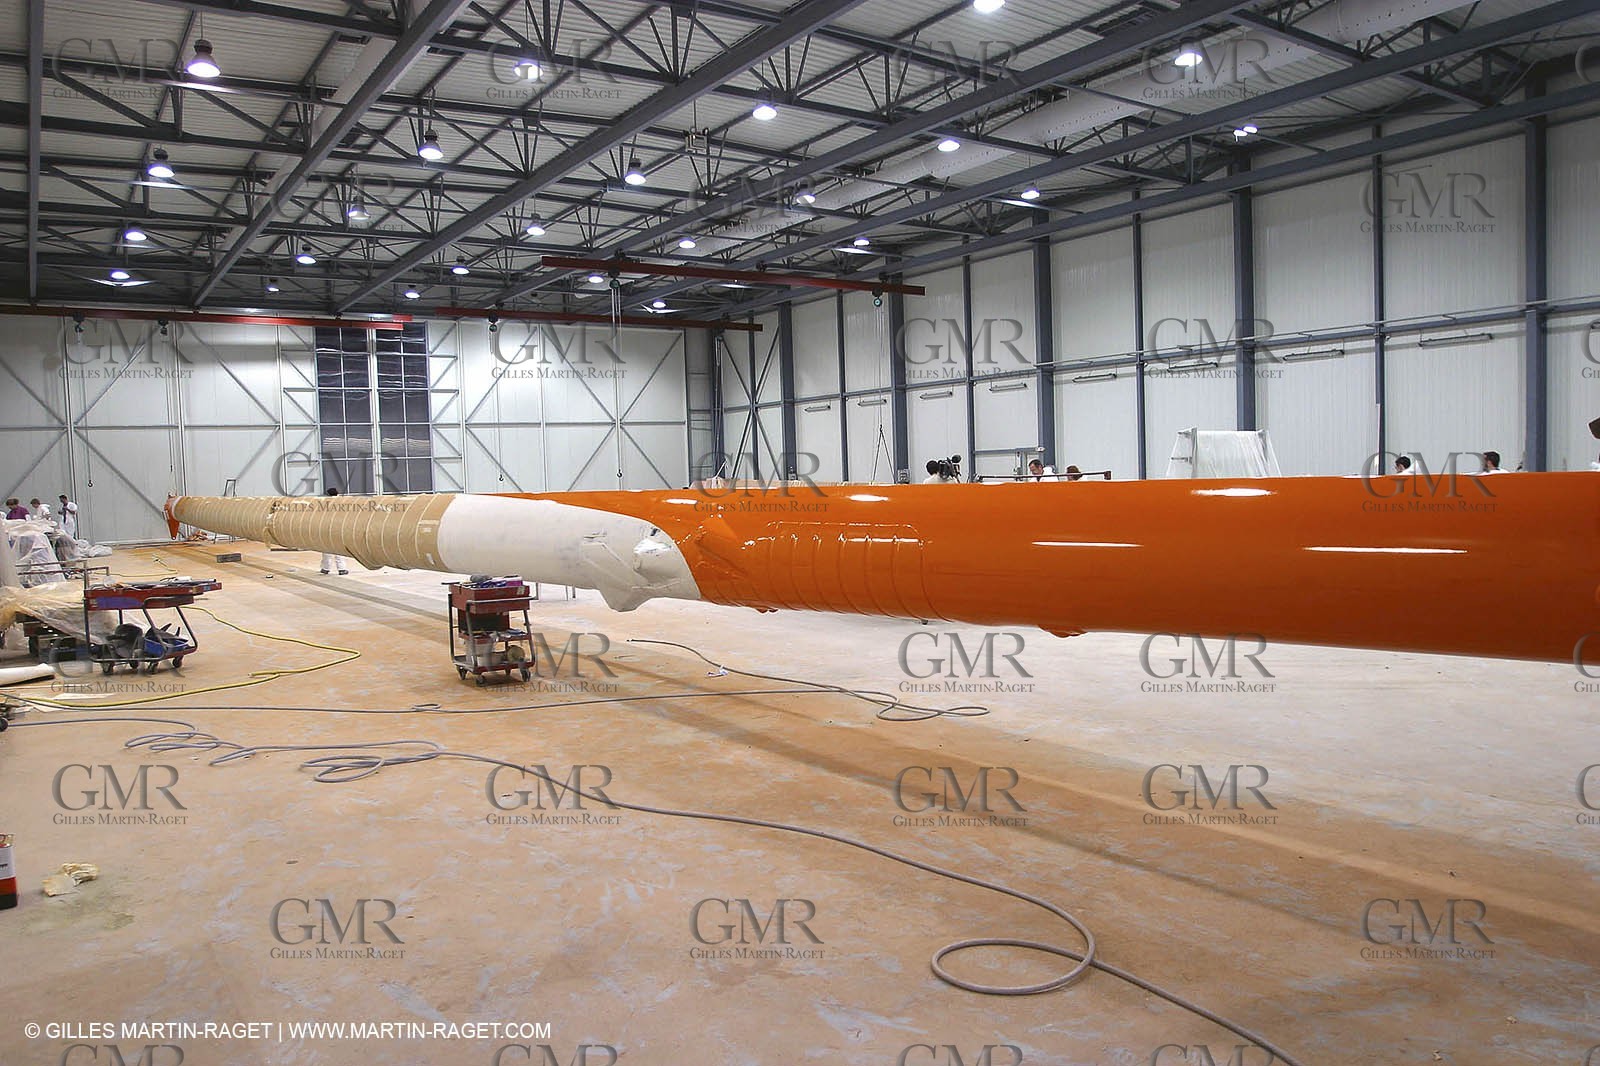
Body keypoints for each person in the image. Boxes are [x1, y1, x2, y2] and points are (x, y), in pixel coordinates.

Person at [319, 488, 350, 575]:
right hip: (338, 529)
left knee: (326, 549)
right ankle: (342, 569)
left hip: (326, 529)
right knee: (339, 550)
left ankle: (325, 568)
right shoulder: (342, 502)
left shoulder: (325, 503)